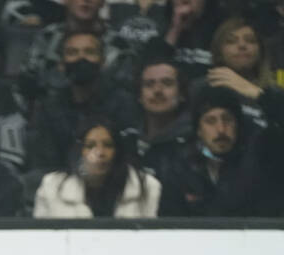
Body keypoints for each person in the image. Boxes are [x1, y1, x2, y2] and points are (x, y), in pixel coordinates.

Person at [156, 82, 284, 215]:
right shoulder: (180, 168)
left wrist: (263, 96)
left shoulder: (262, 156)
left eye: (227, 119)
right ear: (198, 130)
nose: (221, 130)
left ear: (238, 125)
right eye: (210, 121)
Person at [26, 31, 139, 175]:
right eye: (73, 53)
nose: (81, 58)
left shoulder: (123, 103)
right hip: (61, 187)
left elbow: (128, 159)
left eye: (89, 52)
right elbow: (42, 162)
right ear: (61, 64)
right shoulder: (48, 107)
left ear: (103, 61)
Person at [33, 116, 161, 216]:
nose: (99, 152)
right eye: (90, 146)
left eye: (107, 145)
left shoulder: (148, 187)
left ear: (118, 151)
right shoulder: (51, 187)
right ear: (79, 152)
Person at [128, 56, 190, 176]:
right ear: (139, 96)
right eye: (149, 84)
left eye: (167, 83)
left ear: (182, 93)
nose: (157, 90)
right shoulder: (126, 138)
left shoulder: (193, 145)